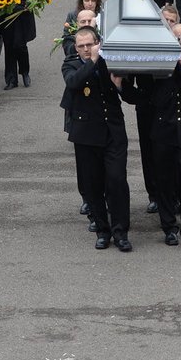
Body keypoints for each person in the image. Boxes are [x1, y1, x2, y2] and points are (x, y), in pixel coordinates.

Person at [118, 33, 181, 251]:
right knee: (164, 182)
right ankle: (169, 227)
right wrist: (122, 84)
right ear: (179, 47)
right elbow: (149, 97)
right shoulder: (163, 68)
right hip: (163, 133)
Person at [61, 28, 131, 251]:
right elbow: (73, 83)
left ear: (97, 43)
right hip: (86, 134)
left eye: (89, 45)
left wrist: (119, 85)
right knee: (93, 185)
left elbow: (131, 95)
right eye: (80, 46)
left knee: (117, 181)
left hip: (113, 131)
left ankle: (121, 232)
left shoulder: (109, 61)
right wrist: (91, 61)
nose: (85, 49)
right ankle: (103, 230)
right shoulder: (71, 64)